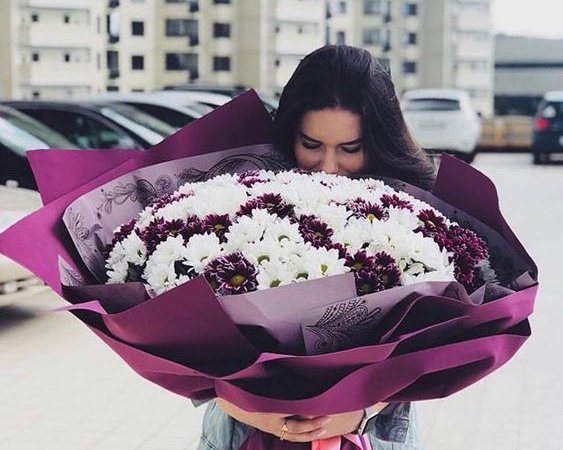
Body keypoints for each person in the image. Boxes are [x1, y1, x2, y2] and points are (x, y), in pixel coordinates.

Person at [197, 45, 434, 450]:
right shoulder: (236, 198)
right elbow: (194, 343)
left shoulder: (414, 214)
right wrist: (252, 409)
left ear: (378, 142)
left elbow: (431, 345)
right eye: (311, 145)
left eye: (349, 149)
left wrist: (361, 409)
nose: (327, 166)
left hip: (372, 432)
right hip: (243, 430)